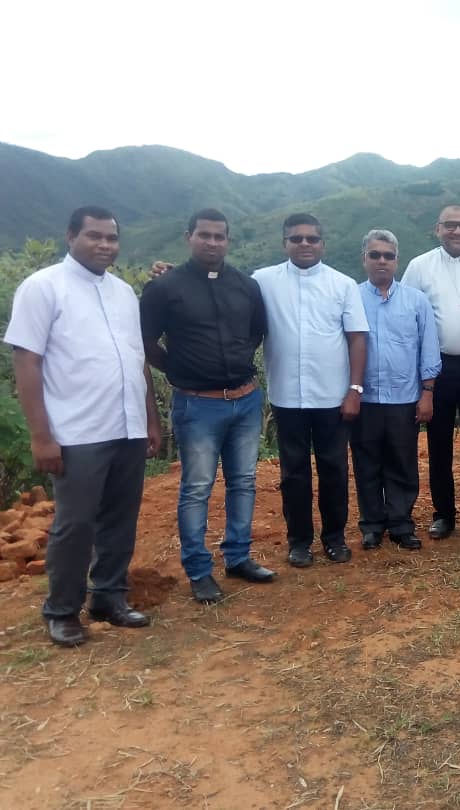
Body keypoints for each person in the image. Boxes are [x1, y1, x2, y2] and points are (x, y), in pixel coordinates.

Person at [5, 207, 161, 646]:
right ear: (71, 235)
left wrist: (151, 417)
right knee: (75, 524)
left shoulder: (124, 293)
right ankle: (61, 610)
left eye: (112, 238)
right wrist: (41, 435)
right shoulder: (43, 288)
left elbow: (138, 361)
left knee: (121, 518)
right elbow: (27, 362)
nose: (105, 245)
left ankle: (109, 598)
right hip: (76, 431)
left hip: (127, 426)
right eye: (95, 236)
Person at [140, 209, 275, 604]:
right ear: (188, 237)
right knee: (197, 488)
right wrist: (178, 369)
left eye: (219, 236)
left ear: (228, 240)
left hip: (246, 400)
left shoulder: (246, 286)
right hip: (197, 405)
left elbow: (256, 332)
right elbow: (146, 340)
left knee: (244, 482)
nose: (212, 242)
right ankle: (198, 569)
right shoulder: (165, 287)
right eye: (204, 235)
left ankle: (238, 556)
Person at [253, 214, 368, 568]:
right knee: (293, 474)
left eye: (312, 239)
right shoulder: (262, 281)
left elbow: (357, 337)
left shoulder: (343, 284)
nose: (304, 244)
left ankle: (334, 538)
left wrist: (354, 389)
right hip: (287, 397)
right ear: (284, 242)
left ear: (323, 243)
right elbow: (224, 293)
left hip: (332, 397)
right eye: (296, 238)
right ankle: (299, 541)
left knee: (334, 470)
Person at [401, 205, 460, 540]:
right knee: (438, 442)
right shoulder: (419, 266)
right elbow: (409, 319)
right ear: (437, 229)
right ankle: (443, 514)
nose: (458, 232)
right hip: (436, 368)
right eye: (450, 226)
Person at [351, 229, 441, 551]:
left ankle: (401, 524)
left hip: (405, 398)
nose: (382, 261)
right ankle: (372, 525)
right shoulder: (352, 298)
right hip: (365, 398)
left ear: (397, 260)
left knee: (403, 463)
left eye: (388, 256)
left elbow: (428, 349)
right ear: (364, 259)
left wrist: (427, 391)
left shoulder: (416, 302)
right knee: (367, 462)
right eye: (375, 255)